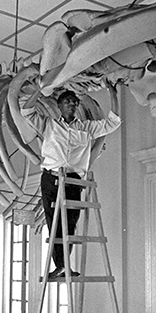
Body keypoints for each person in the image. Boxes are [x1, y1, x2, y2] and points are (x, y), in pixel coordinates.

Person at [21, 85, 121, 279]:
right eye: (67, 101)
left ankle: (64, 265)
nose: (72, 105)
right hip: (51, 177)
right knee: (54, 221)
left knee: (71, 222)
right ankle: (61, 265)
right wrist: (41, 89)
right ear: (59, 105)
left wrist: (113, 93)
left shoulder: (86, 127)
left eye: (74, 102)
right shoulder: (48, 124)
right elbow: (26, 110)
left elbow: (112, 123)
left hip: (74, 179)